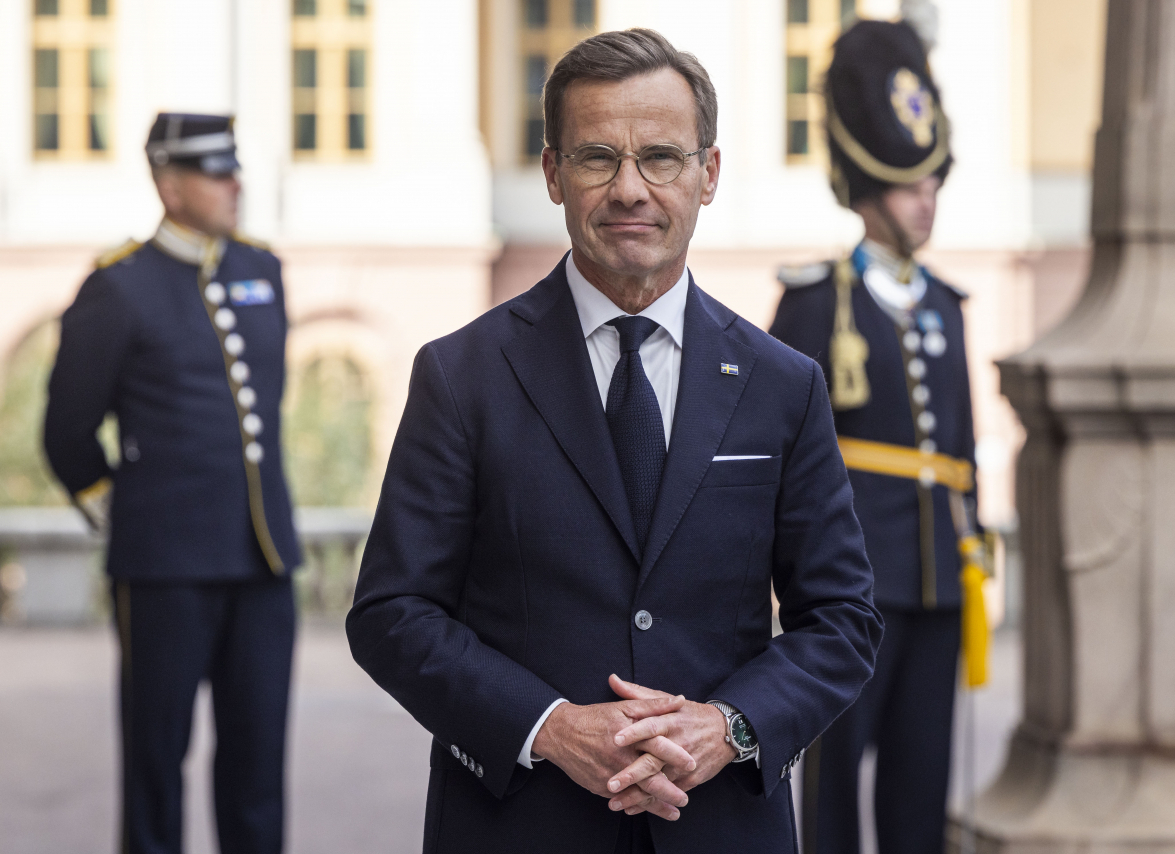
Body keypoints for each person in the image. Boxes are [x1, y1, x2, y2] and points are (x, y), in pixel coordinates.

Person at [346, 28, 882, 854]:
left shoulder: (785, 384)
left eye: (661, 157)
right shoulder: (462, 376)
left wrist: (730, 727)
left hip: (722, 829)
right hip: (519, 825)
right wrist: (551, 728)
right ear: (554, 173)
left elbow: (842, 618)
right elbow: (390, 613)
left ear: (708, 175)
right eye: (598, 157)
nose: (631, 189)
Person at [44, 113, 301, 854]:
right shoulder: (118, 286)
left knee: (258, 767)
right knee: (156, 765)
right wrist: (125, 516)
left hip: (263, 561)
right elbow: (66, 433)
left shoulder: (262, 270)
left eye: (235, 170)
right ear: (169, 184)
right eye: (217, 174)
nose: (235, 185)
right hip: (163, 570)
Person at [769, 19, 988, 854]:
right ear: (867, 189)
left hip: (936, 580)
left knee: (921, 774)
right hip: (853, 585)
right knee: (834, 777)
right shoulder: (818, 299)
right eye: (907, 186)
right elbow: (782, 453)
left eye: (932, 182)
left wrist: (970, 553)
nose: (924, 199)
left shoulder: (945, 304)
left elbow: (960, 452)